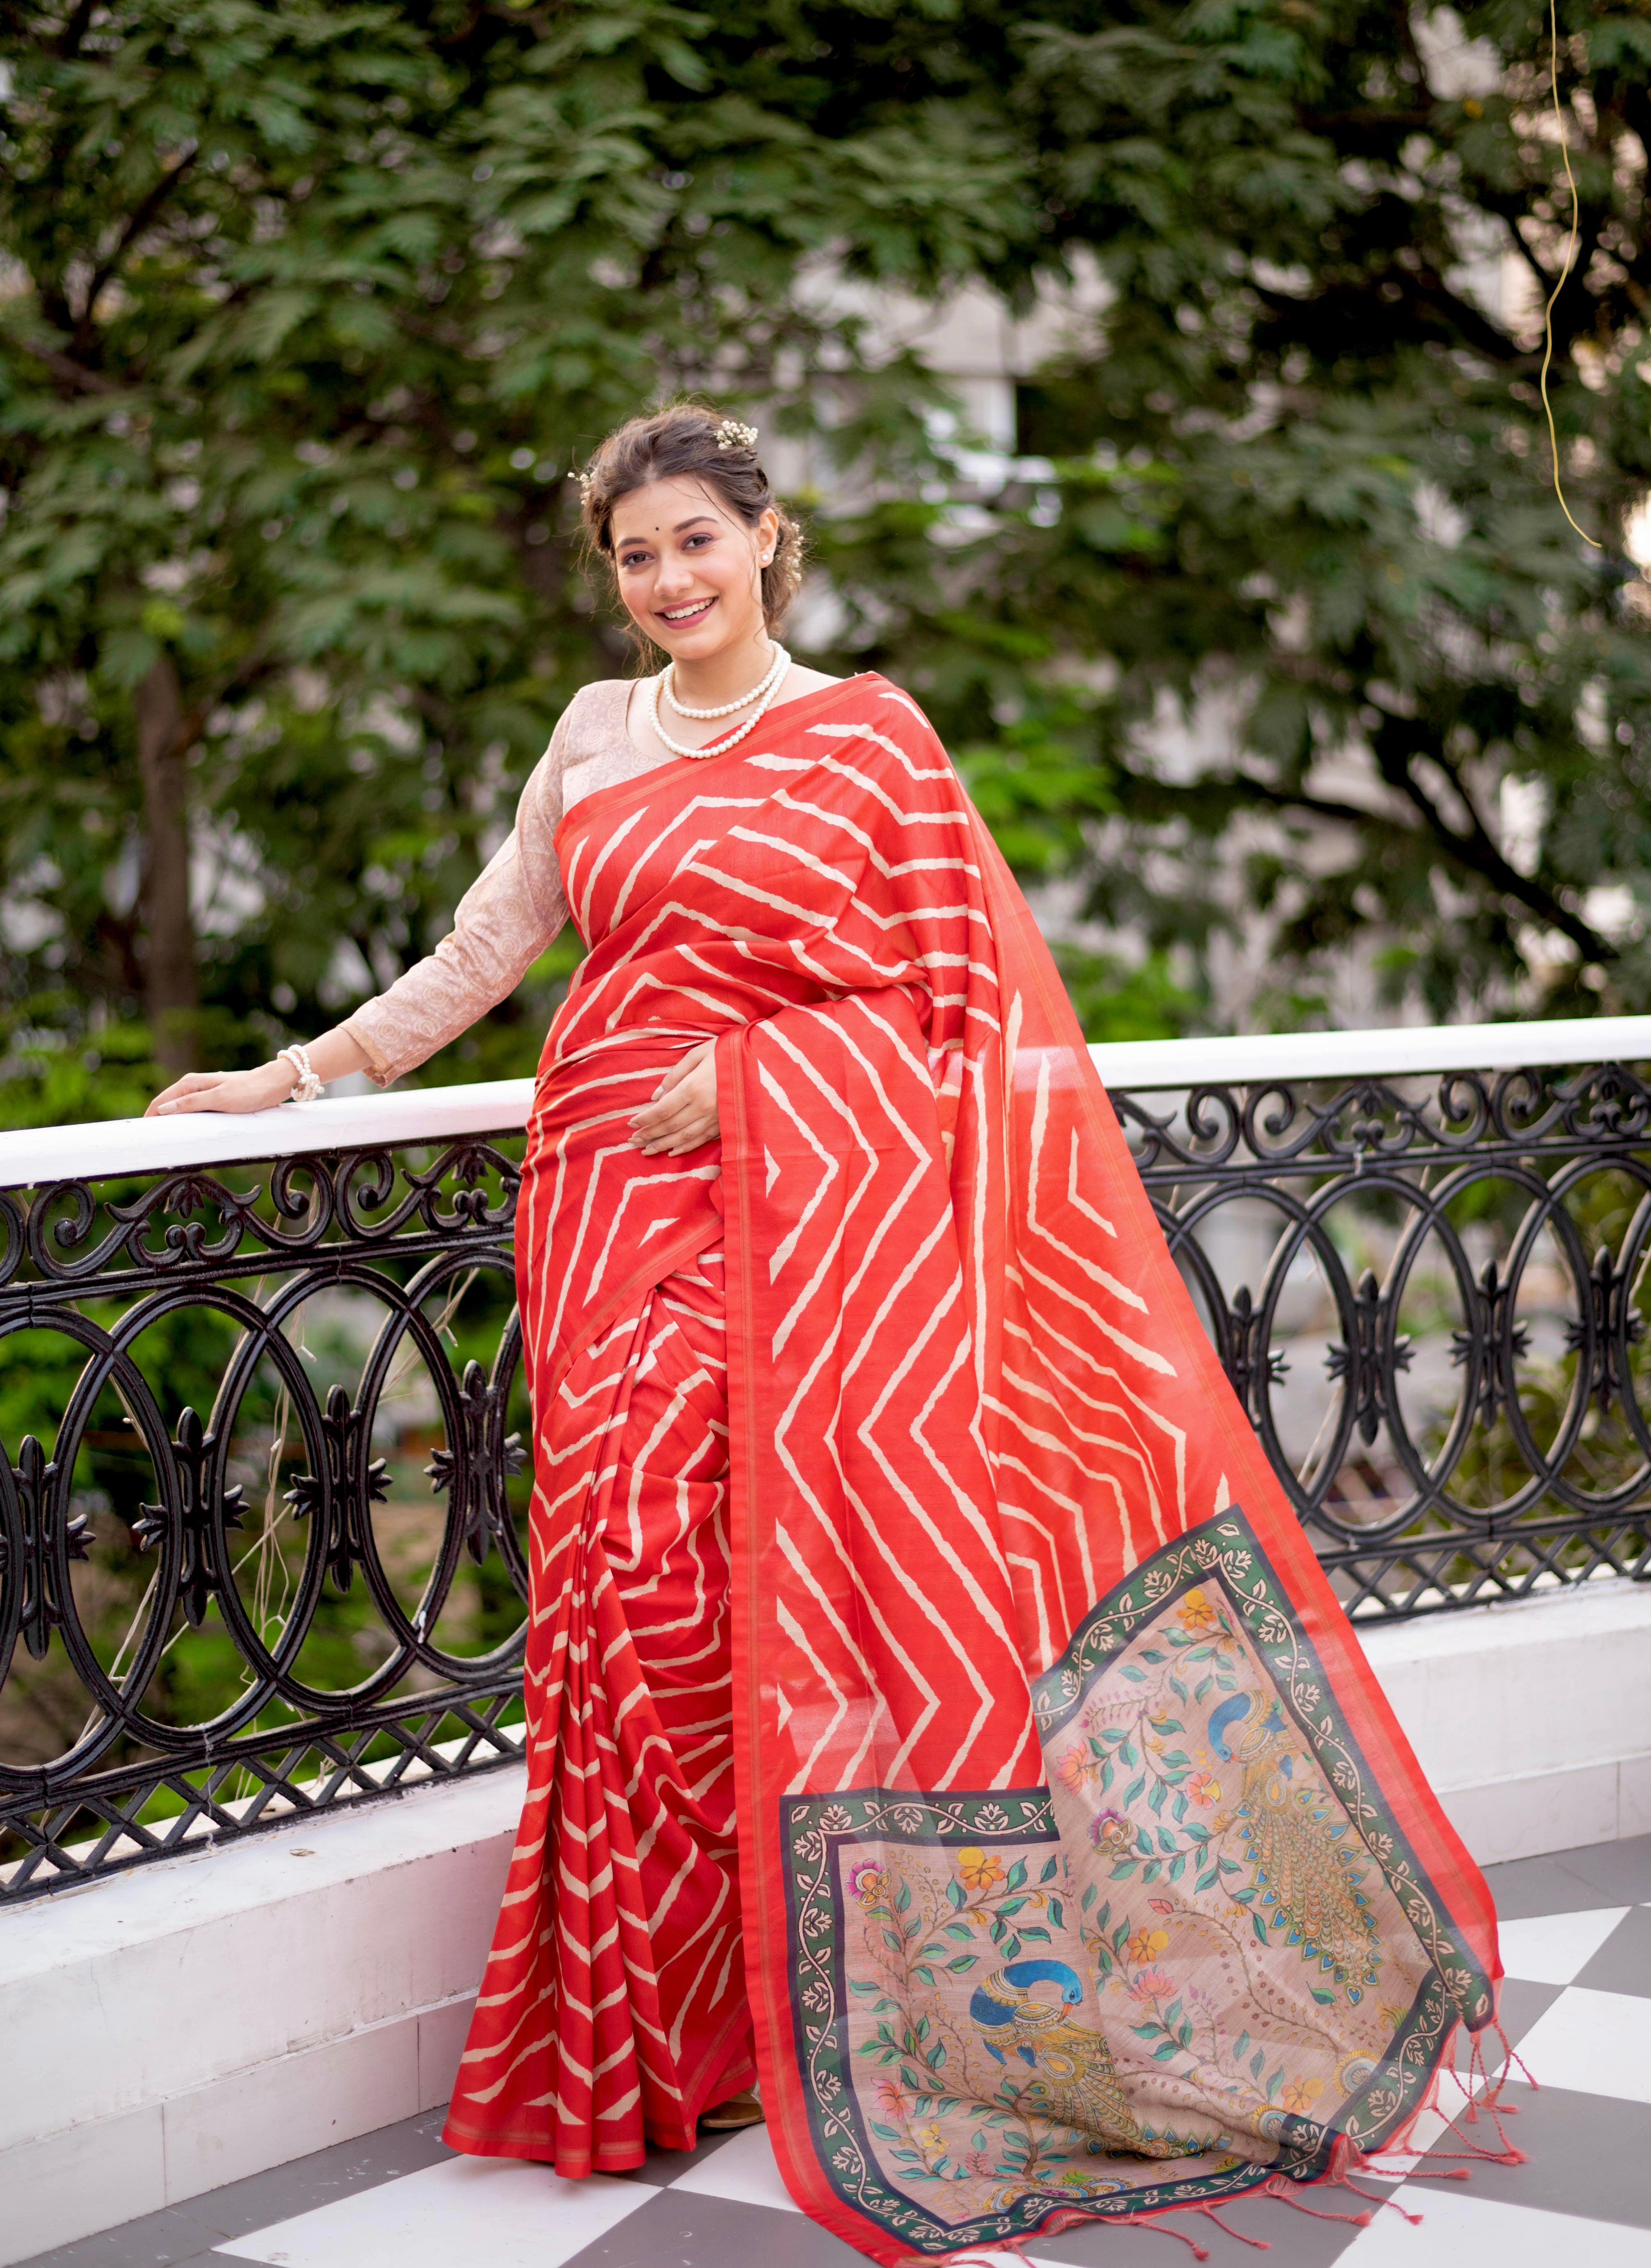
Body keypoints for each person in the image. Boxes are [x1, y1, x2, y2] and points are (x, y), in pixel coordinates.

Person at [149, 403, 1510, 2262]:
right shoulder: (593, 734)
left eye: (696, 540)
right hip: (607, 1207)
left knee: (786, 1592)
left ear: (766, 540)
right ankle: (675, 2031)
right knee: (631, 1586)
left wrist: (763, 1074)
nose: (668, 579)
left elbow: (963, 1011)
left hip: (817, 1226)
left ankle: (833, 2007)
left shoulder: (870, 738)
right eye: (635, 554)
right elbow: (486, 949)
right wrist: (296, 1076)